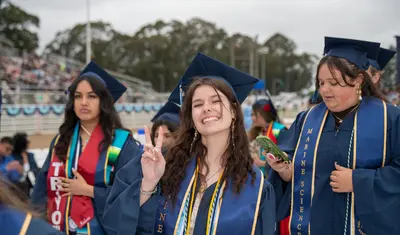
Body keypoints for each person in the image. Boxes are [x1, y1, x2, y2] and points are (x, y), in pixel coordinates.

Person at [104, 52, 276, 235]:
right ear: (191, 117)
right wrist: (149, 184)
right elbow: (115, 225)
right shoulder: (164, 164)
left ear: (234, 111)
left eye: (216, 101)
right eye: (197, 104)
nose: (207, 108)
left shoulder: (255, 186)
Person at [268, 36, 400, 235]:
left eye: (334, 83)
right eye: (321, 83)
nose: (325, 90)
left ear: (358, 80)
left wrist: (359, 180)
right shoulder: (306, 120)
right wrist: (286, 172)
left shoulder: (389, 119)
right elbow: (294, 173)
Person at [30, 61, 143, 234]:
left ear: (103, 101)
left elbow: (131, 193)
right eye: (77, 96)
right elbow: (41, 189)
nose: (83, 102)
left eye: (91, 96)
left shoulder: (121, 143)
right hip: (59, 227)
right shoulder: (61, 141)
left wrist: (89, 190)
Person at [250, 99, 286, 175]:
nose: (252, 118)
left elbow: (285, 161)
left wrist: (261, 163)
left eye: (253, 114)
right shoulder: (258, 131)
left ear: (260, 114)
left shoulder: (280, 130)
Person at [12, 132, 39, 199]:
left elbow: (35, 169)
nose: (29, 143)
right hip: (17, 184)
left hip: (30, 183)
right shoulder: (12, 157)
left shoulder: (30, 155)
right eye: (27, 142)